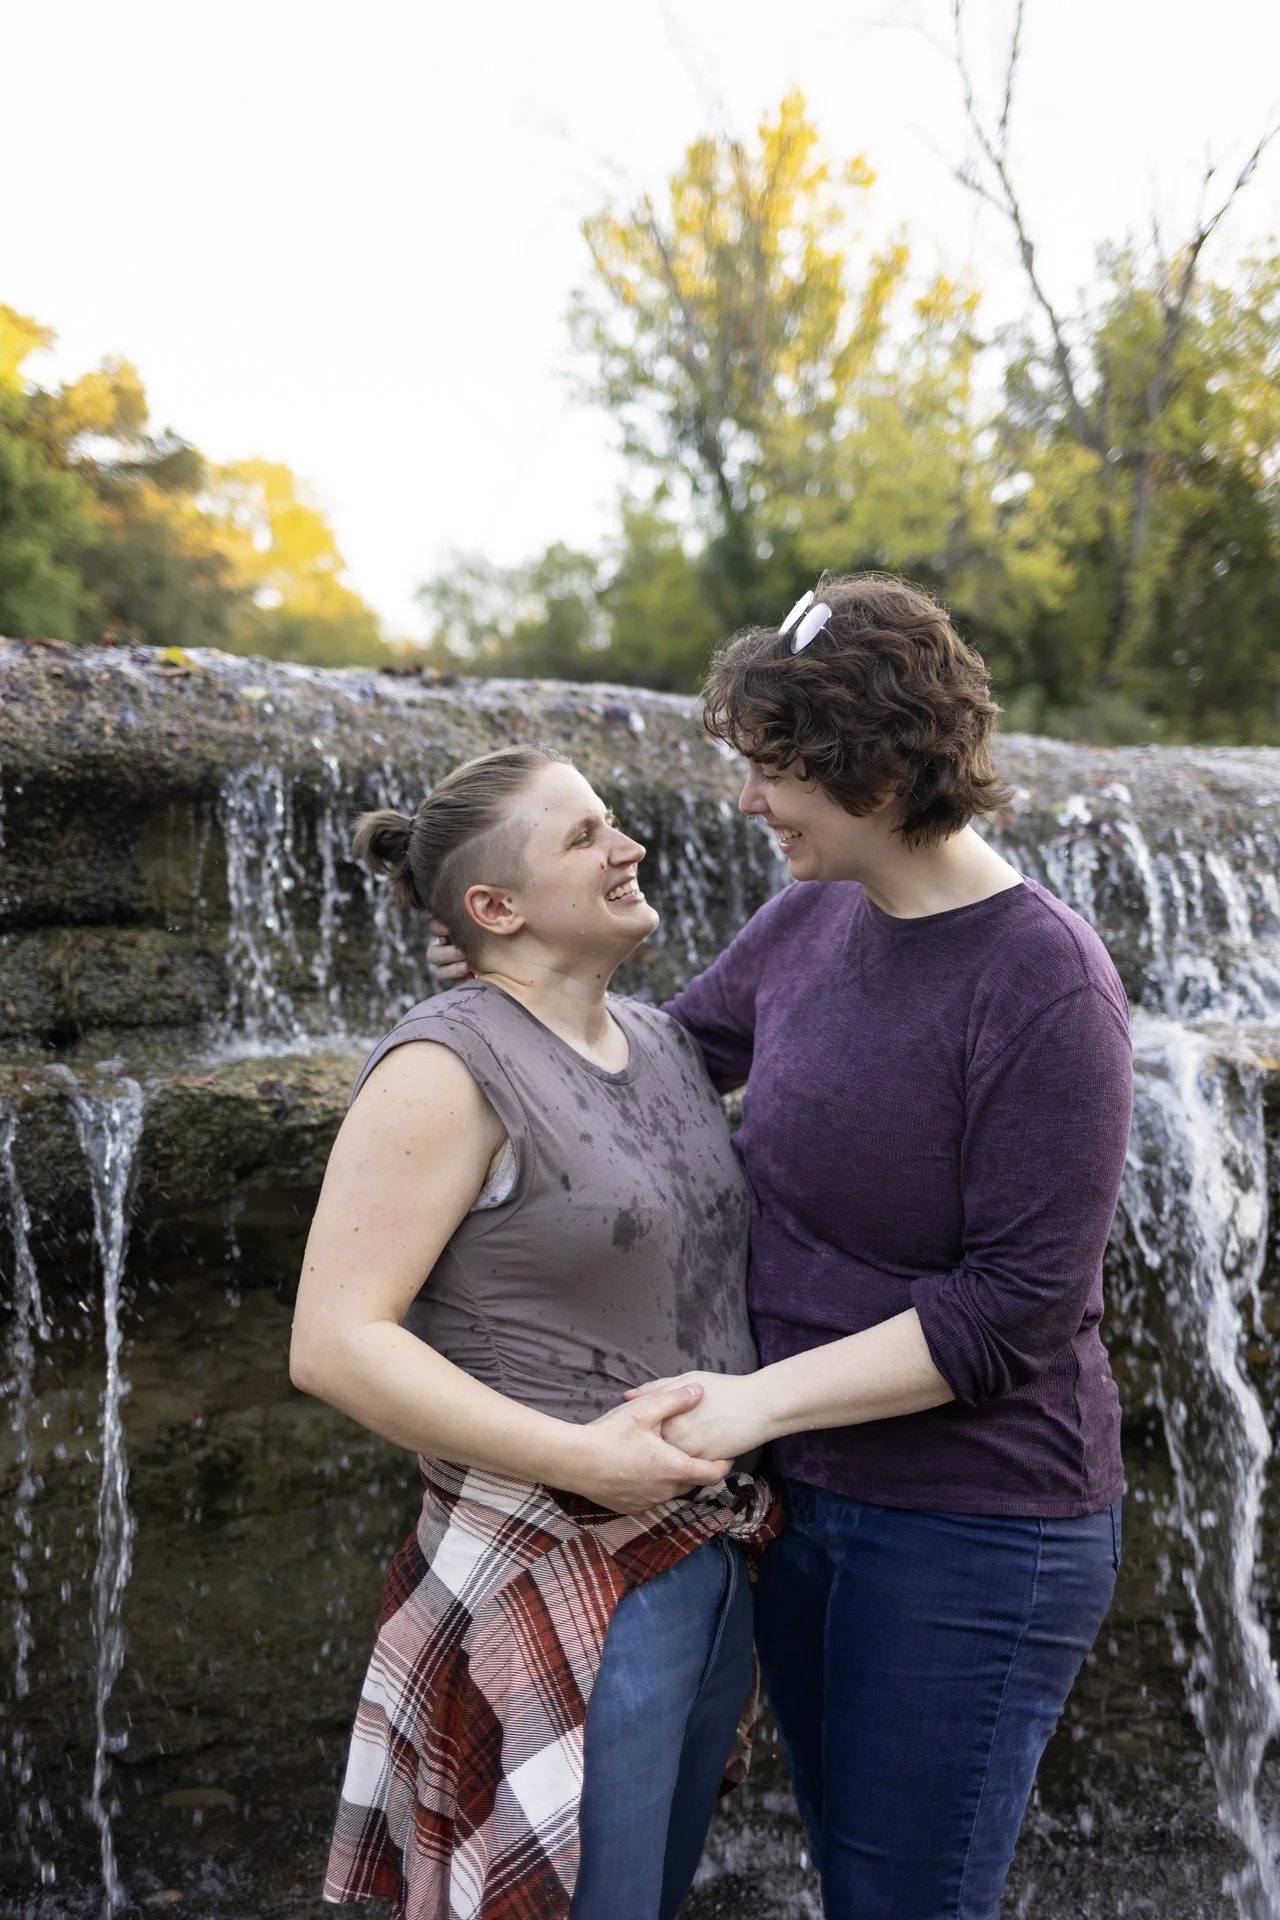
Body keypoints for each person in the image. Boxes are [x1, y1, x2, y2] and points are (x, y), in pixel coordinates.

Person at [430, 573, 1133, 1919]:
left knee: (903, 1898)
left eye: (773, 768)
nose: (749, 800)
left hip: (970, 1529)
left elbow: (1013, 1311)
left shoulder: (1047, 983)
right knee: (847, 1873)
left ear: (871, 766)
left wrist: (751, 1402)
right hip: (802, 1500)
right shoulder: (816, 917)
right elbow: (666, 1061)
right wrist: (518, 999)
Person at [289, 744, 778, 1920]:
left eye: (612, 823)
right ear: (493, 909)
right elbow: (334, 1340)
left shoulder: (661, 1042)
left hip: (712, 1560)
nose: (628, 848)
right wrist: (586, 1461)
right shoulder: (442, 1065)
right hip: (551, 1566)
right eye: (583, 837)